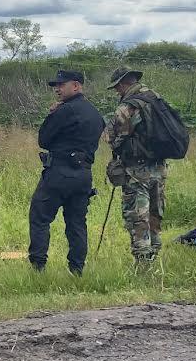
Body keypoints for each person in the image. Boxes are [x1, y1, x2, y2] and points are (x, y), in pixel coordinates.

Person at [27, 70, 105, 275]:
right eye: (56, 85)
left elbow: (43, 139)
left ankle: (38, 267)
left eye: (62, 85)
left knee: (40, 217)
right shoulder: (95, 114)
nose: (57, 89)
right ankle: (77, 269)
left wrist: (51, 114)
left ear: (76, 86)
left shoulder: (64, 111)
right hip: (83, 176)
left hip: (59, 173)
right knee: (77, 223)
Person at [104, 67, 169, 264]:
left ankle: (143, 262)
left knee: (137, 216)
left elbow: (112, 138)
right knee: (155, 213)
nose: (117, 91)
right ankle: (155, 255)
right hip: (160, 167)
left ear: (123, 84)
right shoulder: (158, 100)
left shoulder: (128, 107)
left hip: (136, 171)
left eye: (117, 88)